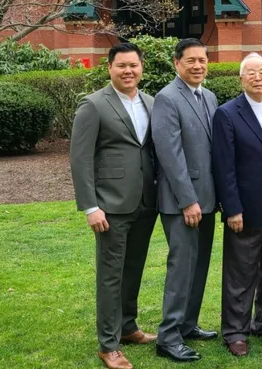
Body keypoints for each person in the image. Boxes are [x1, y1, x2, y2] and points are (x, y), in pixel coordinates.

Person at [70, 43, 158, 369]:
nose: (128, 71)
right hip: (110, 206)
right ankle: (108, 345)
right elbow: (80, 160)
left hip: (146, 203)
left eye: (133, 65)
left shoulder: (150, 102)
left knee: (133, 270)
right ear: (109, 67)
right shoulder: (93, 105)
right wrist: (90, 206)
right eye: (121, 65)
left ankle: (128, 326)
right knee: (111, 275)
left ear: (141, 68)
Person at [212, 53, 262, 357]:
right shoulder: (228, 113)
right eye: (251, 73)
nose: (257, 77)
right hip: (245, 208)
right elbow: (224, 167)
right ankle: (235, 330)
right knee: (240, 272)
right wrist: (231, 208)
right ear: (241, 79)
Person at [151, 38, 218, 363]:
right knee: (181, 268)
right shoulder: (167, 98)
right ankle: (168, 336)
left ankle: (188, 324)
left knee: (199, 266)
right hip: (182, 203)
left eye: (202, 60)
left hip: (207, 200)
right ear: (177, 63)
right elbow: (170, 155)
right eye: (191, 60)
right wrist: (188, 201)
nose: (197, 66)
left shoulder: (208, 96)